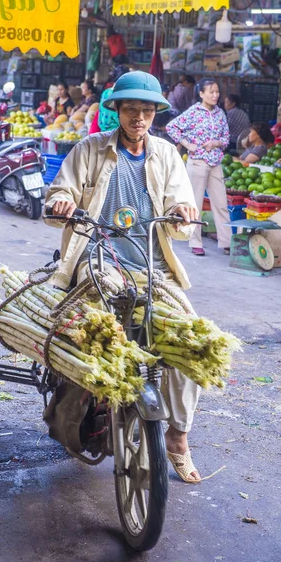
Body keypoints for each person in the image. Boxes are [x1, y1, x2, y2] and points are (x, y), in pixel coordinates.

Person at [45, 71, 203, 483]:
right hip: (99, 261)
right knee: (100, 319)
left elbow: (182, 206)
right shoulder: (90, 149)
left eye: (146, 110)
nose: (138, 117)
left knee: (191, 341)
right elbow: (59, 193)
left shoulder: (168, 155)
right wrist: (62, 201)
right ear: (116, 111)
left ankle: (179, 437)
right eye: (131, 109)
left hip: (153, 267)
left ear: (155, 114)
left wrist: (184, 211)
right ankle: (84, 413)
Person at [166, 78, 231, 257]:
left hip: (215, 162)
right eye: (211, 91)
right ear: (201, 94)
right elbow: (172, 127)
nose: (215, 95)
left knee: (221, 203)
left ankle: (226, 242)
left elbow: (226, 138)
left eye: (217, 91)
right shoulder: (193, 112)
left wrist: (216, 142)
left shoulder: (220, 113)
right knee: (195, 204)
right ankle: (195, 242)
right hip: (197, 162)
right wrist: (188, 145)